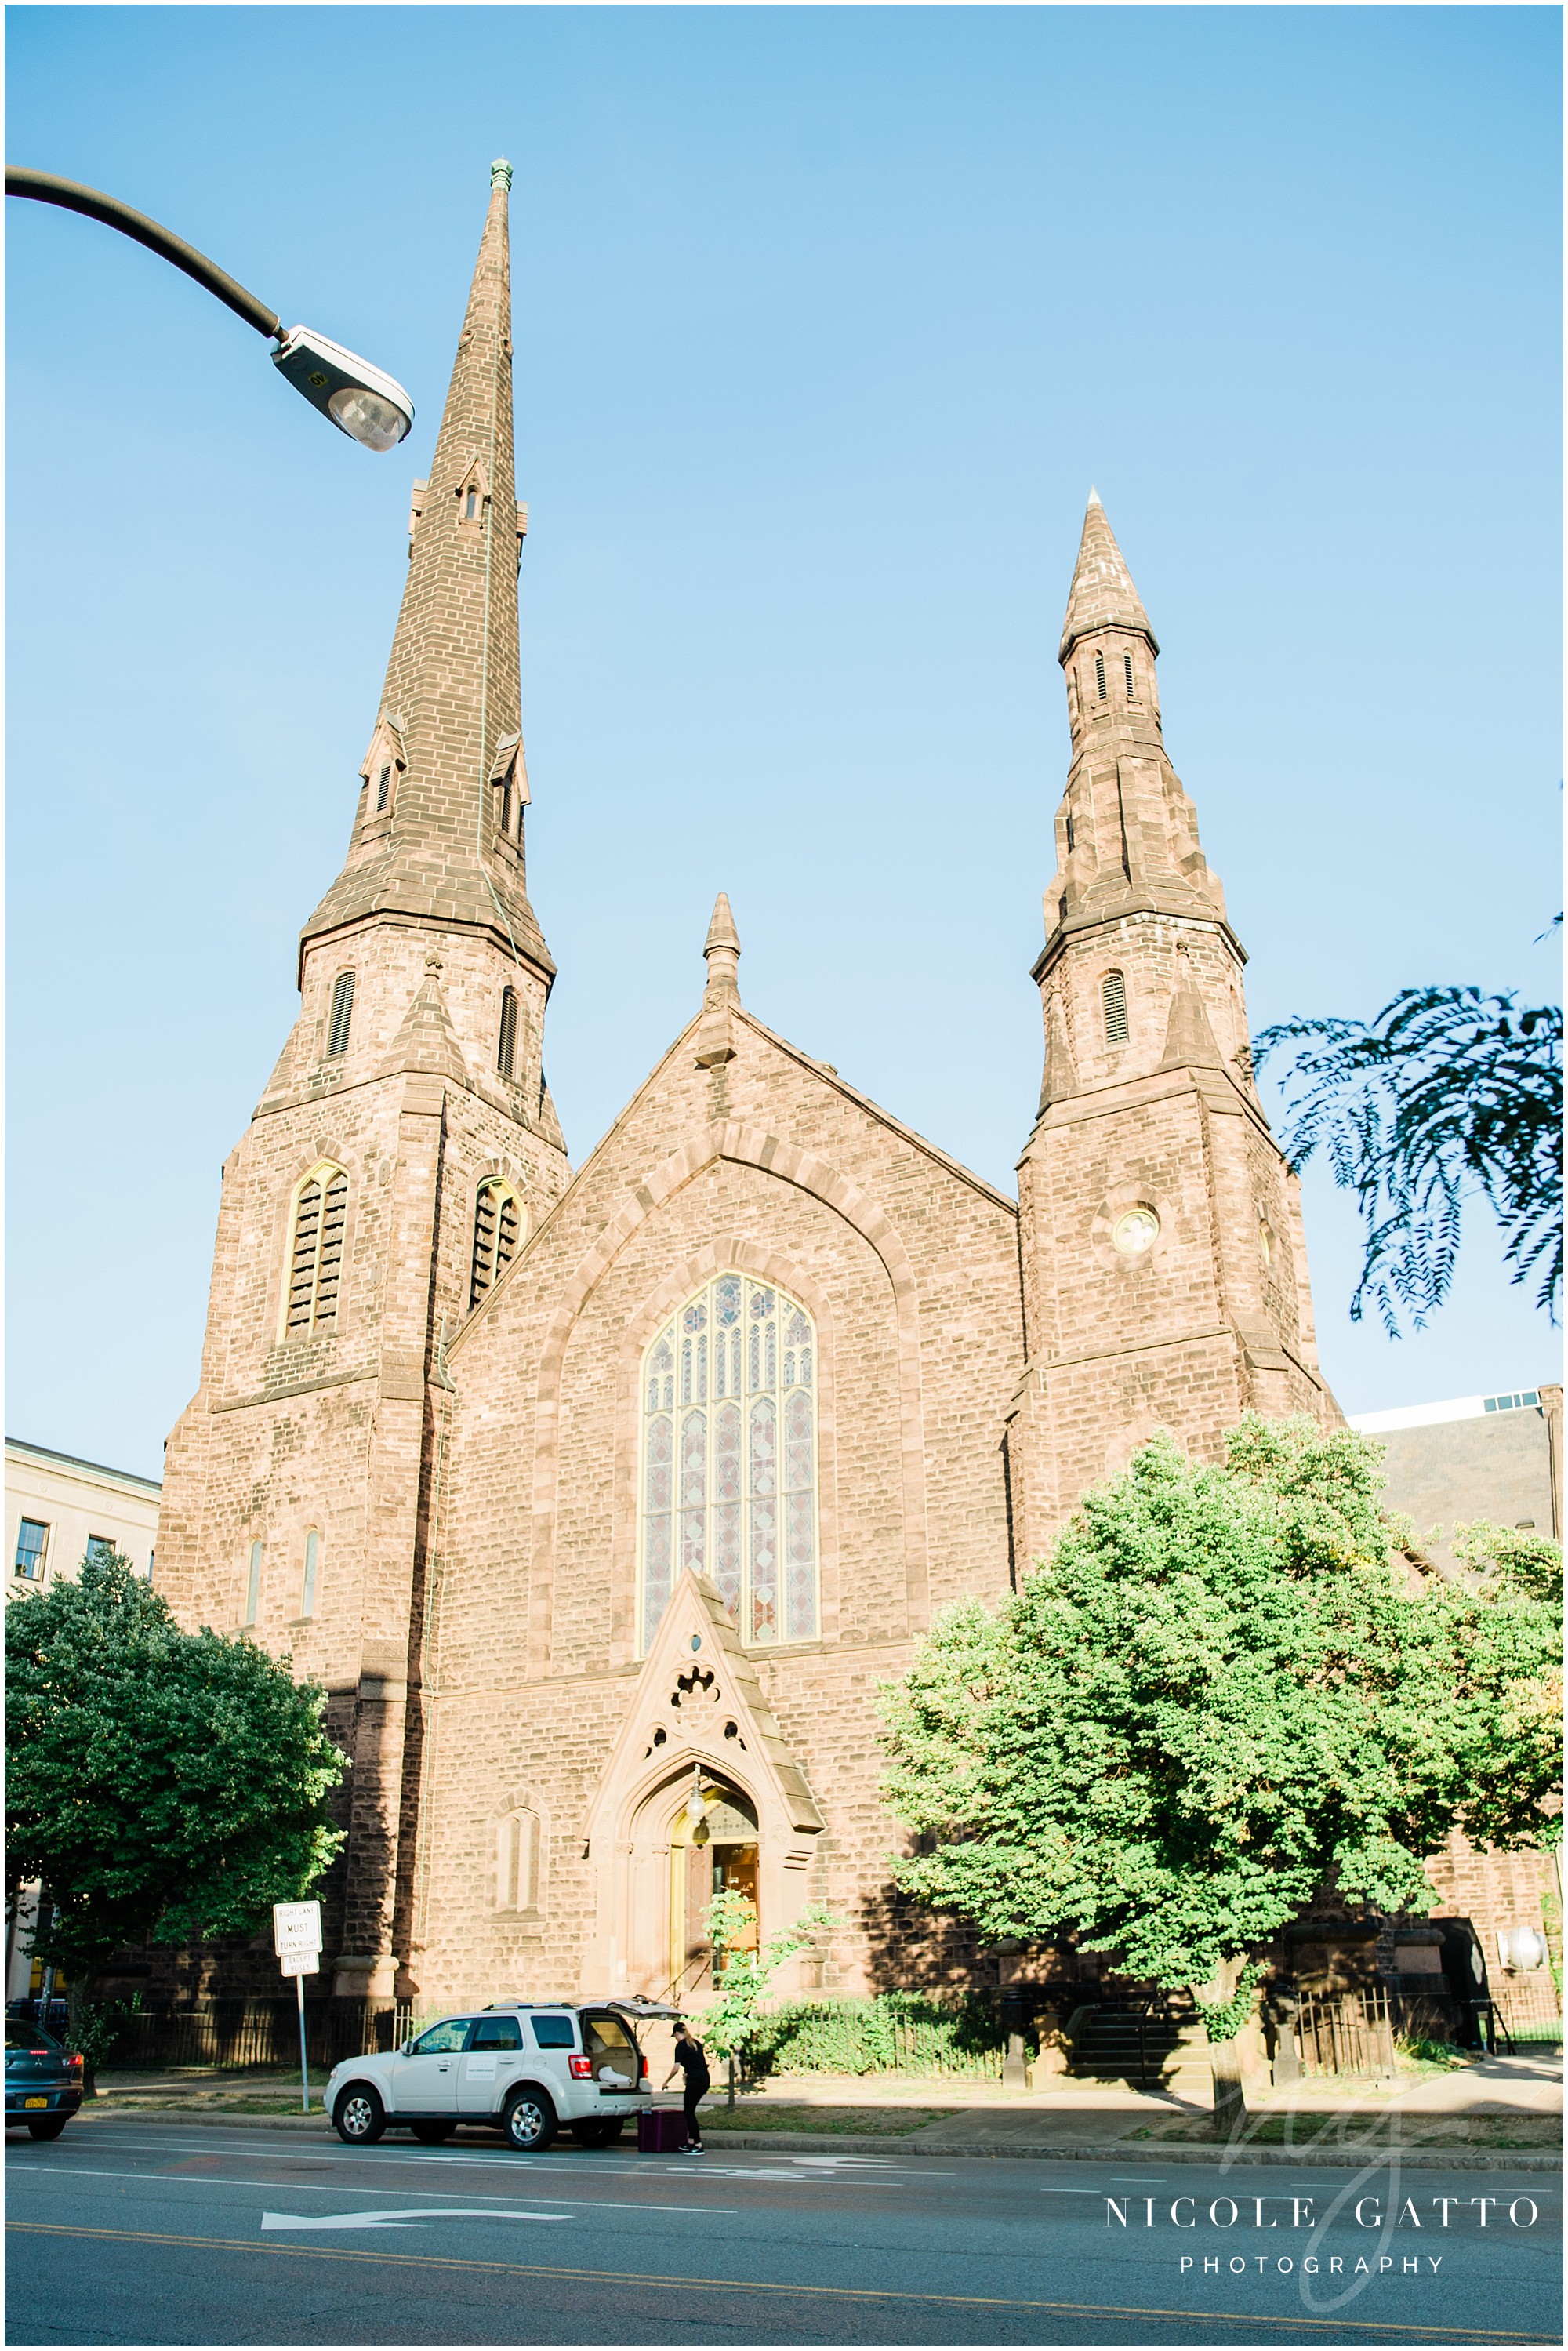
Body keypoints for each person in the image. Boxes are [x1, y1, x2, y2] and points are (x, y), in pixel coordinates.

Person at [663, 2021, 710, 2151]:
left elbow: (676, 2068)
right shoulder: (696, 2043)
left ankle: (698, 2144)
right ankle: (690, 2141)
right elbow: (696, 2062)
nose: (676, 2039)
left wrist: (666, 2081)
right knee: (690, 2110)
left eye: (675, 2036)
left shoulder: (680, 2046)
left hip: (695, 2079)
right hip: (704, 2078)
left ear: (677, 2033)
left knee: (688, 2112)